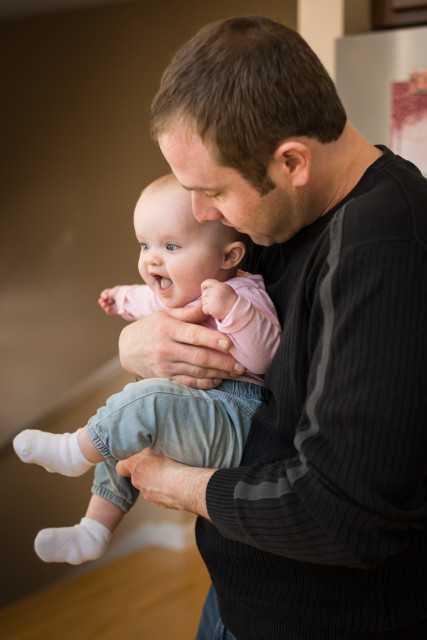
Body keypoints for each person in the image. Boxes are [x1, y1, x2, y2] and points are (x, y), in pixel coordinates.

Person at [113, 15, 427, 640]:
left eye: (213, 192)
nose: (202, 213)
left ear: (291, 162)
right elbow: (184, 302)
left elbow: (342, 512)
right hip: (237, 599)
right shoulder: (274, 217)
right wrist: (138, 344)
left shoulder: (381, 245)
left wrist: (176, 484)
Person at [13, 173, 281, 565]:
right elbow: (145, 300)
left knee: (142, 400)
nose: (152, 259)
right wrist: (121, 299)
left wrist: (233, 310)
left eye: (171, 246)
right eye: (145, 245)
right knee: (123, 427)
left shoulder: (243, 292)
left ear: (229, 257)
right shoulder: (179, 294)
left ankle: (74, 451)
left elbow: (265, 359)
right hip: (198, 412)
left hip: (236, 416)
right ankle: (94, 529)